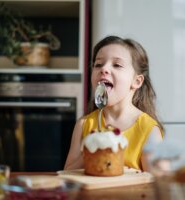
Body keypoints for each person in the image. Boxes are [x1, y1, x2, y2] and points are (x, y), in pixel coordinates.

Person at [64, 35, 163, 171]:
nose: (103, 69)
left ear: (137, 81)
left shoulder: (148, 130)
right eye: (98, 64)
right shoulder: (84, 125)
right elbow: (67, 173)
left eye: (117, 65)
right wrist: (93, 149)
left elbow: (158, 181)